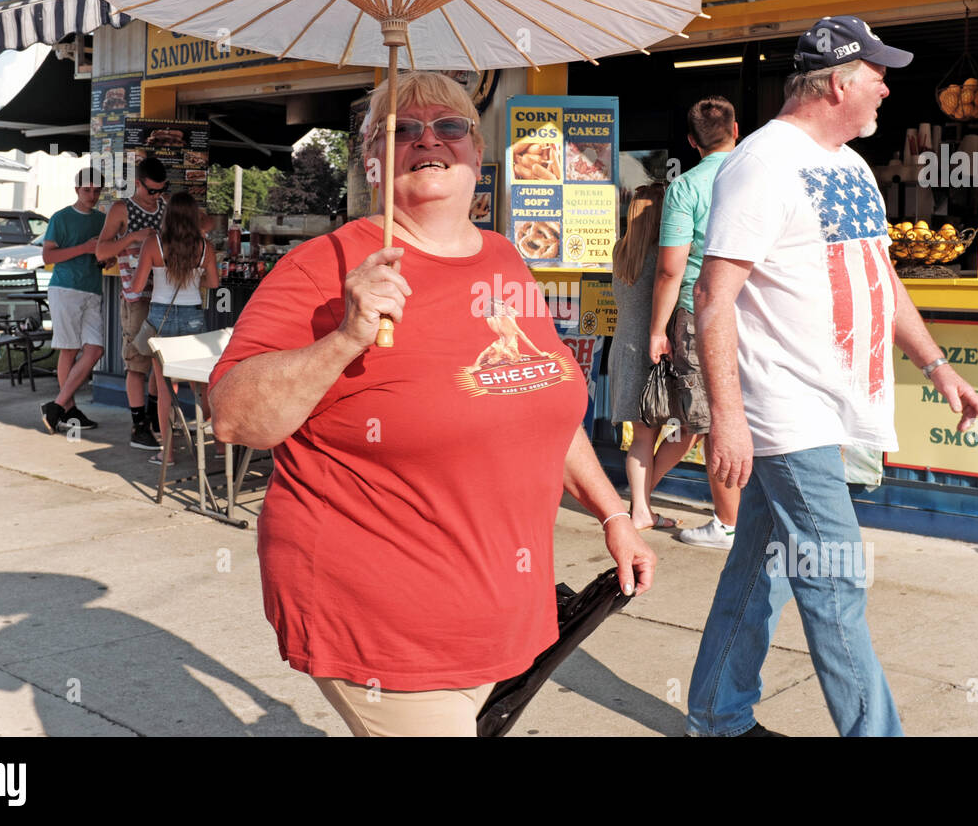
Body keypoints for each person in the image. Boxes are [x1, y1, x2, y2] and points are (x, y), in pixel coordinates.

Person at [208, 71, 656, 737]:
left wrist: (613, 512)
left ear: (477, 154)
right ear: (372, 160)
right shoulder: (325, 266)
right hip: (382, 619)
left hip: (501, 612)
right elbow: (237, 417)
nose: (428, 142)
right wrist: (345, 338)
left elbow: (539, 402)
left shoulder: (504, 260)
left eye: (450, 128)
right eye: (402, 131)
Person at [686, 16, 978, 737]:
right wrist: (728, 416)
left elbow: (880, 278)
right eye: (878, 74)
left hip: (835, 404)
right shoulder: (761, 163)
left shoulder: (849, 164)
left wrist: (936, 364)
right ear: (839, 83)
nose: (888, 88)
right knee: (836, 573)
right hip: (787, 411)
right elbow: (712, 294)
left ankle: (716, 716)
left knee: (761, 568)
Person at [648, 96, 742, 549]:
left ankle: (728, 523)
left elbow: (670, 269)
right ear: (736, 130)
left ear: (691, 141)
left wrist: (655, 330)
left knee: (708, 419)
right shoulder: (759, 177)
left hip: (699, 314)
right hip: (756, 311)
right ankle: (753, 515)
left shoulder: (685, 188)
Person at [608, 183, 693, 531]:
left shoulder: (621, 251)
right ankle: (641, 508)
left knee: (644, 436)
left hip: (623, 349)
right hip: (654, 352)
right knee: (689, 430)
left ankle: (640, 508)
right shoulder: (664, 255)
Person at [128, 191, 219, 465]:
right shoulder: (205, 247)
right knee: (200, 385)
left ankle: (166, 453)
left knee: (166, 388)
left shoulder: (153, 245)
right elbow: (214, 284)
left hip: (161, 318)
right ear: (194, 217)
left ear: (167, 216)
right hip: (193, 317)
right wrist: (193, 283)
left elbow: (135, 287)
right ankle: (219, 446)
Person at [96, 156, 168, 451]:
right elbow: (101, 250)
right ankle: (138, 426)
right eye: (151, 191)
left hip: (164, 294)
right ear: (138, 183)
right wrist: (133, 237)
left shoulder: (166, 206)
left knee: (160, 362)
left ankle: (152, 417)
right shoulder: (121, 209)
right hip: (136, 297)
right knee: (137, 363)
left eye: (161, 190)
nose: (157, 196)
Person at [39, 168, 107, 434]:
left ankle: (57, 406)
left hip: (92, 288)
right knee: (69, 349)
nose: (92, 195)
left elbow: (103, 253)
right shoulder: (61, 218)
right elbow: (48, 257)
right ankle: (68, 408)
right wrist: (85, 248)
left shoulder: (103, 219)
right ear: (76, 189)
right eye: (87, 190)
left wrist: (105, 257)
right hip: (65, 289)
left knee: (95, 350)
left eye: (96, 190)